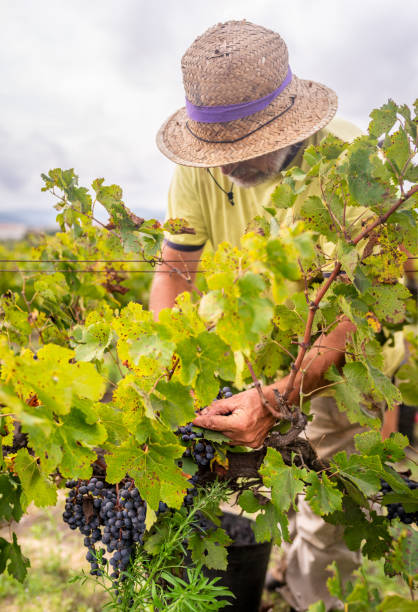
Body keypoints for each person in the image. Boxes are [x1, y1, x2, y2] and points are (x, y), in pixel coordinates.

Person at [150, 20, 401, 611]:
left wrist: (283, 395)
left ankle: (306, 599)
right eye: (216, 151)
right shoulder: (200, 164)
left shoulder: (353, 163)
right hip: (257, 357)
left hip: (347, 364)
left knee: (327, 519)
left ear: (289, 126)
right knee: (257, 493)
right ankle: (271, 573)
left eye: (241, 151)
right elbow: (175, 271)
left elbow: (358, 312)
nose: (224, 165)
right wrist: (167, 364)